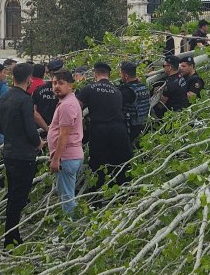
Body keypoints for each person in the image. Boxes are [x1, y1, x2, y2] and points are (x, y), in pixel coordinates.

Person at [0, 63, 43, 247]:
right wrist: (39, 143)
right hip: (24, 155)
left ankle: (12, 233)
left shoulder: (4, 97)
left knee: (13, 194)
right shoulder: (25, 100)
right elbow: (31, 131)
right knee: (19, 197)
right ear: (29, 79)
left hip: (9, 152)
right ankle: (10, 237)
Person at [77, 62, 133, 194]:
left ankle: (96, 195)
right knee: (118, 161)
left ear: (95, 74)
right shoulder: (117, 91)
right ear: (109, 75)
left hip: (100, 130)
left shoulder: (89, 88)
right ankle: (119, 193)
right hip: (119, 130)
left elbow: (75, 109)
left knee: (97, 163)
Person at [47, 69, 83, 215]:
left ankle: (70, 225)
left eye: (61, 83)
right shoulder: (67, 102)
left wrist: (56, 159)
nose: (56, 86)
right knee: (68, 194)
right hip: (70, 156)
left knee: (67, 198)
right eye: (54, 83)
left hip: (66, 157)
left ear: (70, 85)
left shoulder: (67, 105)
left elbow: (64, 135)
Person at [117, 61, 151, 145]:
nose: (120, 76)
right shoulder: (143, 86)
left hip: (130, 128)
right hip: (144, 126)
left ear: (126, 76)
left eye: (121, 74)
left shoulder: (126, 91)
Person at [31, 59, 63, 137]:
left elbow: (34, 112)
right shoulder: (64, 91)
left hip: (41, 129)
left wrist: (46, 128)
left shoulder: (38, 90)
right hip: (59, 130)